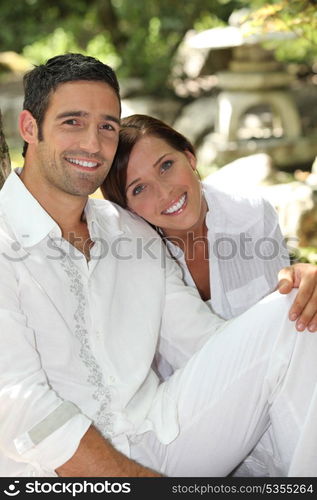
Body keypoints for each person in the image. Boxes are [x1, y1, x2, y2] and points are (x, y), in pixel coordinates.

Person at [1, 53, 317, 478]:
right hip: (56, 474)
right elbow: (19, 403)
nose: (93, 144)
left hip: (164, 434)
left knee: (298, 311)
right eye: (72, 122)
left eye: (107, 127)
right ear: (29, 128)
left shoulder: (131, 233)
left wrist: (296, 292)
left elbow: (204, 344)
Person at [102, 113, 317, 476]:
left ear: (190, 156)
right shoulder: (132, 257)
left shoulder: (251, 214)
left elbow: (285, 348)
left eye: (166, 165)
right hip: (195, 425)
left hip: (279, 414)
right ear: (127, 208)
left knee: (299, 311)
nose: (165, 191)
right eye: (139, 188)